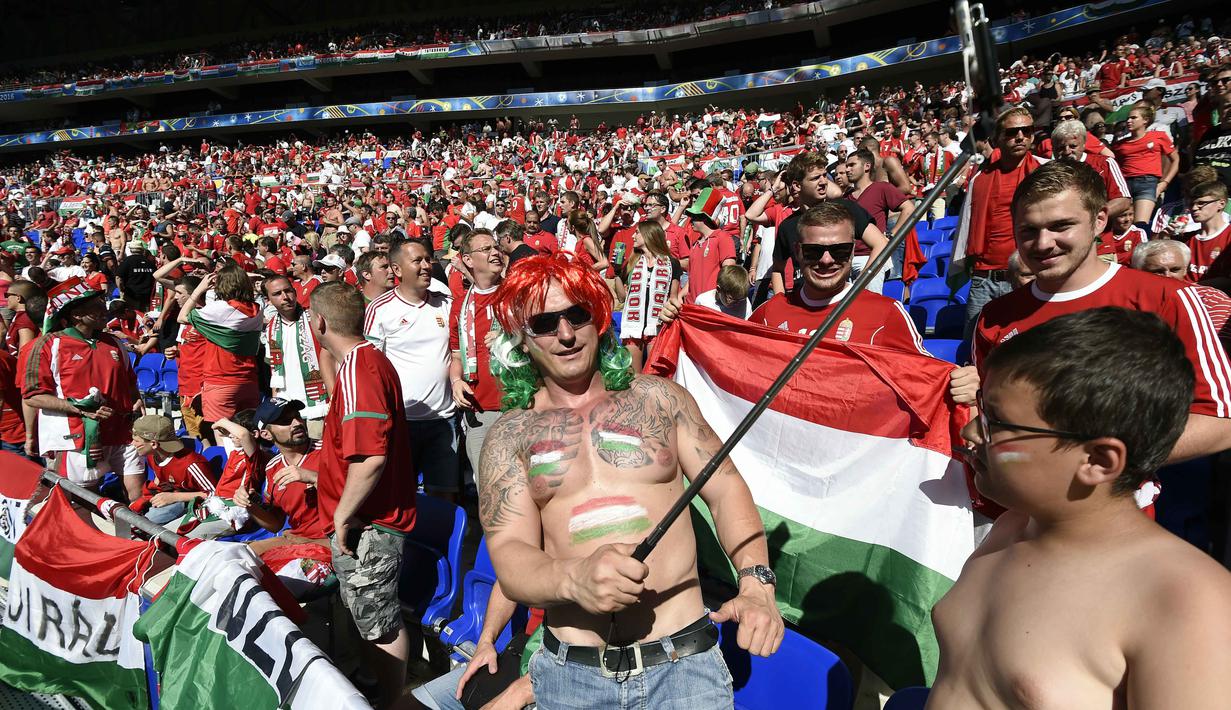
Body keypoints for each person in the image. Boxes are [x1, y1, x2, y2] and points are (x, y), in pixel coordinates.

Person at [478, 253, 783, 709]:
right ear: (521, 339)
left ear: (598, 318)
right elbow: (510, 554)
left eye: (577, 314)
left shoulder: (662, 400)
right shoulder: (508, 437)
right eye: (544, 323)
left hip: (685, 668)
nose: (565, 334)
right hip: (570, 678)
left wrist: (757, 582)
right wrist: (572, 579)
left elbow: (726, 490)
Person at [932, 308, 1231, 708]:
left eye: (996, 423)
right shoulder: (1008, 530)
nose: (971, 432)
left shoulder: (1187, 602)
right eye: (982, 411)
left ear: (1099, 461)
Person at [972, 160, 1231, 465]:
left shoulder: (1167, 299)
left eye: (1061, 226)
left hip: (1118, 507)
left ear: (1099, 221)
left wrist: (1100, 462)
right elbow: (989, 418)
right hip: (1019, 508)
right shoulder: (995, 316)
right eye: (1028, 230)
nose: (1043, 243)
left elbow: (1220, 420)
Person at [310, 281, 416, 710]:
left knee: (378, 622)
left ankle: (393, 701)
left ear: (318, 322)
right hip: (366, 518)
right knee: (367, 613)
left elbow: (370, 457)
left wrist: (342, 514)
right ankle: (376, 686)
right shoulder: (360, 363)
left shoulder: (360, 368)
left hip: (369, 521)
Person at [748, 202, 930, 353]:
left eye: (839, 250)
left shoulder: (887, 314)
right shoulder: (768, 315)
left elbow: (924, 377)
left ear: (851, 251)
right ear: (798, 252)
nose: (826, 260)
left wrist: (957, 381)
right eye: (813, 251)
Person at [23, 277, 144, 499]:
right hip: (76, 438)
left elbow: (130, 383)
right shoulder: (49, 344)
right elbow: (33, 395)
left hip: (122, 433)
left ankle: (135, 534)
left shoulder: (115, 342)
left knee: (137, 495)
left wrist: (137, 402)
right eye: (96, 306)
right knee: (83, 500)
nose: (104, 309)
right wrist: (81, 409)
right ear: (76, 314)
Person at [365, 239, 461, 501]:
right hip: (401, 423)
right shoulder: (380, 309)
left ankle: (441, 542)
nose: (426, 266)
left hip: (444, 420)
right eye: (417, 261)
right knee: (399, 496)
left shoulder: (446, 303)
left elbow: (458, 351)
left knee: (444, 496)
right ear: (397, 270)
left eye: (428, 259)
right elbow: (370, 366)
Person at [953, 106, 1050, 341]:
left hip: (1030, 276)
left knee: (1030, 347)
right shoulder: (980, 178)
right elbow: (966, 225)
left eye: (1026, 131)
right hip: (984, 277)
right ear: (997, 138)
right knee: (975, 345)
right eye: (1012, 132)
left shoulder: (1046, 171)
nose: (1019, 137)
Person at [227, 397, 329, 555]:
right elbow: (275, 524)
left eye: (297, 416)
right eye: (286, 421)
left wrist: (316, 477)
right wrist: (250, 506)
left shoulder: (329, 451)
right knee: (238, 556)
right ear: (266, 435)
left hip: (331, 541)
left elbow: (362, 494)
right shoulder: (272, 467)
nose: (297, 423)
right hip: (297, 539)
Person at [177, 263, 263, 435]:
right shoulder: (257, 309)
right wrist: (242, 278)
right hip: (248, 380)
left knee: (223, 435)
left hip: (221, 380)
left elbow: (182, 316)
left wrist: (199, 289)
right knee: (249, 433)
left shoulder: (220, 309)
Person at [449, 230, 505, 491]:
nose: (495, 252)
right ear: (468, 260)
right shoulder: (460, 305)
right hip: (479, 409)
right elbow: (456, 355)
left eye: (496, 247)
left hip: (520, 404)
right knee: (488, 488)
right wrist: (455, 379)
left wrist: (512, 337)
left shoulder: (519, 293)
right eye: (486, 249)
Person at [263, 274, 334, 438]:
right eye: (277, 294)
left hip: (318, 403)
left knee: (319, 451)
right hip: (288, 406)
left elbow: (332, 357)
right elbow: (275, 370)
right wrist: (275, 402)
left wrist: (333, 398)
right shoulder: (271, 327)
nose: (285, 297)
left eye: (288, 291)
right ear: (268, 299)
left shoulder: (316, 319)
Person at [129, 414, 217, 526]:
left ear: (154, 444)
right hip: (171, 496)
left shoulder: (191, 464)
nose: (132, 444)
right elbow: (159, 480)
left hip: (194, 505)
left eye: (136, 441)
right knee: (133, 515)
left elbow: (215, 494)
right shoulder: (152, 455)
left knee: (147, 522)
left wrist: (174, 497)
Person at [615, 221, 681, 369]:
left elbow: (673, 298)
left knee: (654, 376)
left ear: (648, 235)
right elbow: (621, 297)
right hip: (633, 326)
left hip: (657, 326)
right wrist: (617, 272)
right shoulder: (632, 261)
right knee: (633, 377)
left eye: (637, 232)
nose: (633, 236)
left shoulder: (672, 263)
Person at [1132, 240, 1231, 336]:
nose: (1167, 276)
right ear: (1139, 271)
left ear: (1185, 270)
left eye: (1175, 270)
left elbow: (1220, 347)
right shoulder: (1129, 299)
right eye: (1158, 271)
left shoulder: (1210, 299)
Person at [1112, 103, 1178, 231]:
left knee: (1140, 225)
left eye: (1133, 118)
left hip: (1148, 183)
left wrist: (1164, 183)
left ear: (1145, 120)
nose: (1129, 121)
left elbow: (1175, 159)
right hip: (1124, 186)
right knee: (1123, 225)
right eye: (1128, 118)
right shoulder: (1119, 144)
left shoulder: (1158, 136)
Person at [682, 186, 738, 302]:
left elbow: (729, 273)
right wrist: (679, 296)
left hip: (712, 306)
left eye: (694, 216)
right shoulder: (696, 244)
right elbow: (691, 279)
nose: (691, 220)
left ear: (705, 218)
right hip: (692, 306)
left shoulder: (723, 237)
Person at [114, 240, 157, 310]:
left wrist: (121, 290)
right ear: (142, 250)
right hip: (147, 296)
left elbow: (118, 277)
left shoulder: (127, 261)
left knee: (134, 316)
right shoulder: (150, 262)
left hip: (131, 296)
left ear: (130, 250)